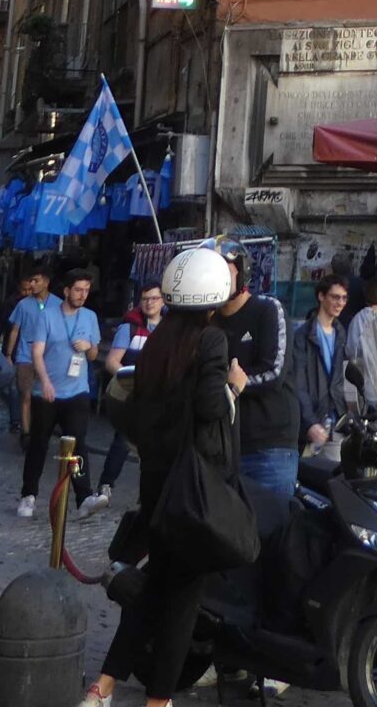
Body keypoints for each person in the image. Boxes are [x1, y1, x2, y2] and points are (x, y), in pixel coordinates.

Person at [78, 246, 242, 707]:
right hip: (195, 488)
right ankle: (159, 700)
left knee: (154, 588)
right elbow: (211, 406)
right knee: (181, 601)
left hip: (156, 481)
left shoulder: (159, 338)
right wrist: (234, 387)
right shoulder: (211, 341)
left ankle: (103, 687)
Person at [219, 249, 300, 529]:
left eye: (225, 269)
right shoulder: (208, 321)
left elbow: (274, 371)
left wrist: (232, 386)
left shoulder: (267, 309)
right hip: (223, 448)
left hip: (269, 448)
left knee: (273, 533)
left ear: (242, 273)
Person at [19, 269, 101, 518]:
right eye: (78, 290)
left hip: (77, 391)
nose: (82, 295)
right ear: (66, 291)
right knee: (39, 443)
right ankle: (28, 494)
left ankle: (84, 496)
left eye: (86, 290)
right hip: (47, 391)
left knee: (78, 445)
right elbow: (36, 352)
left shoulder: (89, 317)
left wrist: (89, 348)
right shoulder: (48, 317)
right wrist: (44, 382)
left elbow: (94, 355)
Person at [84, 280, 168, 511]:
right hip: (133, 394)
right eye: (145, 298)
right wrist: (134, 378)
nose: (149, 303)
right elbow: (112, 362)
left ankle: (147, 495)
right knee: (123, 441)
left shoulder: (168, 328)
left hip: (159, 397)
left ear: (163, 301)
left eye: (154, 298)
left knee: (154, 447)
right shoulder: (129, 327)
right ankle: (105, 486)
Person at [292, 273, 348, 459]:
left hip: (335, 420)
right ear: (321, 296)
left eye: (343, 298)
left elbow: (337, 380)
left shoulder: (340, 333)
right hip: (313, 420)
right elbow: (298, 383)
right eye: (335, 297)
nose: (340, 302)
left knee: (337, 479)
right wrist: (309, 423)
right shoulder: (303, 335)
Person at [4, 266, 52, 453]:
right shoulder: (23, 304)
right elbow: (15, 329)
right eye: (31, 281)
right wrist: (9, 354)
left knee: (44, 397)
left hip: (49, 357)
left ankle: (40, 430)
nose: (32, 284)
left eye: (36, 281)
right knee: (26, 395)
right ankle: (26, 433)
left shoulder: (57, 304)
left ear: (46, 282)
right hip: (25, 355)